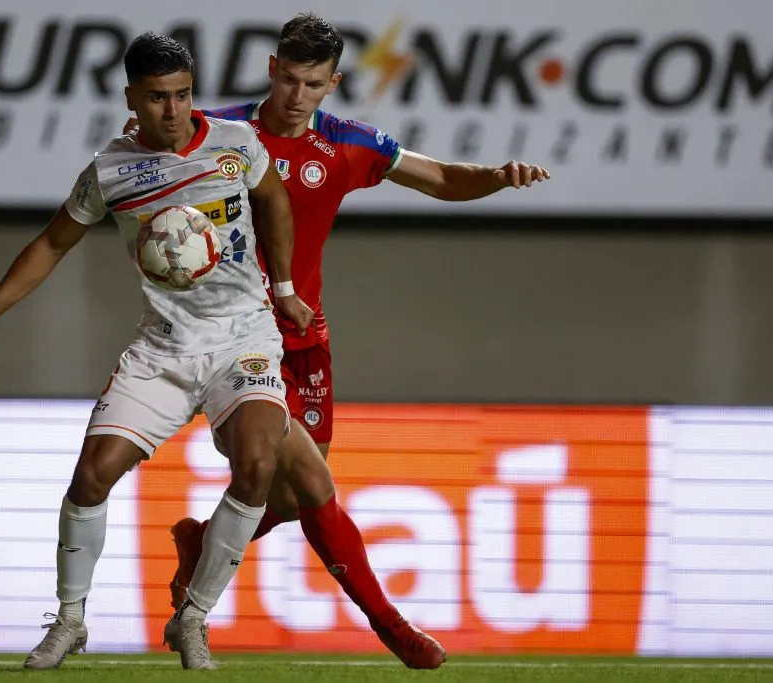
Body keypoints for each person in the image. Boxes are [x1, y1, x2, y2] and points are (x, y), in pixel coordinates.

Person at [147, 12, 549, 667]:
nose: (296, 95)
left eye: (313, 83)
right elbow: (142, 168)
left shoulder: (348, 145)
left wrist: (499, 175)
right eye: (289, 79)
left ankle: (202, 542)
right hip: (229, 341)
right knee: (312, 478)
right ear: (272, 69)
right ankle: (394, 628)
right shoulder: (214, 133)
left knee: (292, 493)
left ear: (331, 84)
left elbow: (442, 178)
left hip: (305, 341)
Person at [0, 32, 314, 671]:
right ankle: (71, 620)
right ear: (132, 97)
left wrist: (285, 288)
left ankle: (192, 619)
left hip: (243, 338)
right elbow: (51, 244)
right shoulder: (109, 171)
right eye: (159, 98)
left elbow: (273, 199)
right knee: (90, 478)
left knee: (256, 465)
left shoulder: (236, 145)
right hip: (161, 349)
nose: (175, 111)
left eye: (184, 95)